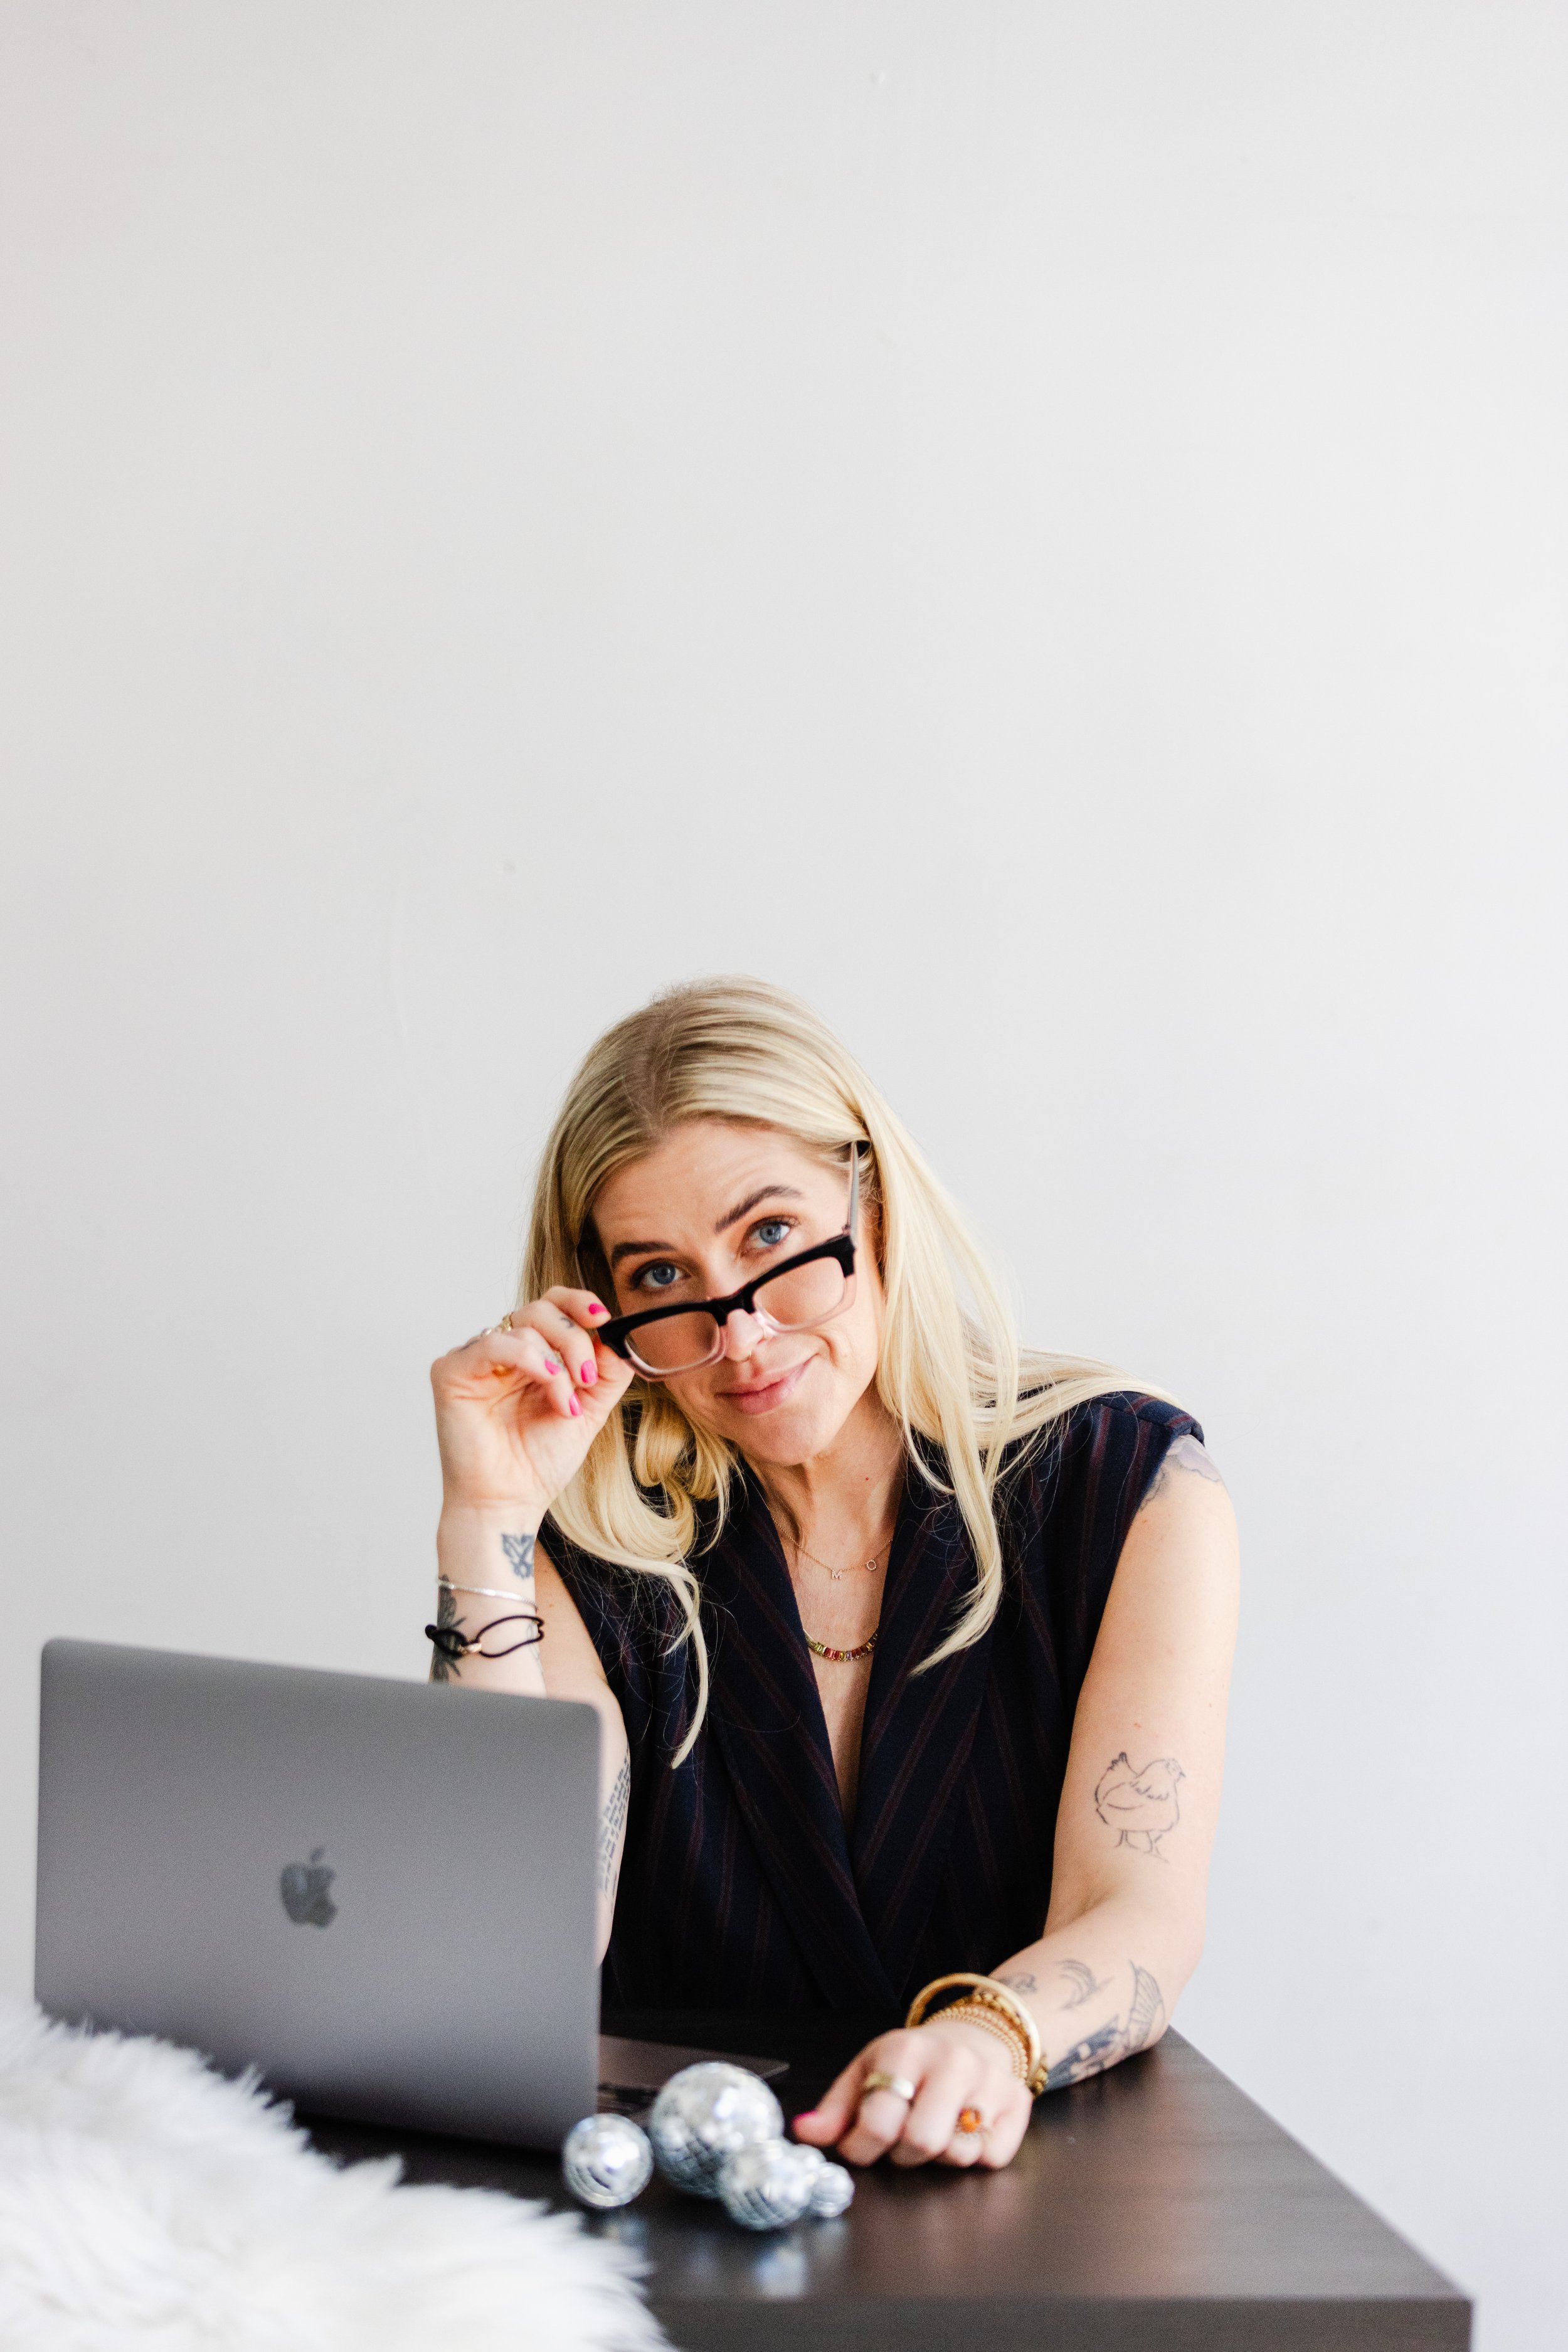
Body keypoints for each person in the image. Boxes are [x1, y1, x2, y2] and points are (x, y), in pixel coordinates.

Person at [428, 977, 1238, 2174]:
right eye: (660, 1278)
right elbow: (514, 1947)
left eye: (770, 1238)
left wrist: (989, 2034)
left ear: (879, 1208)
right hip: (675, 2211)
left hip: (1014, 2189)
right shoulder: (598, 1546)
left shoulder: (1131, 1488)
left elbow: (1142, 1911)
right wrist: (485, 1518)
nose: (739, 1335)